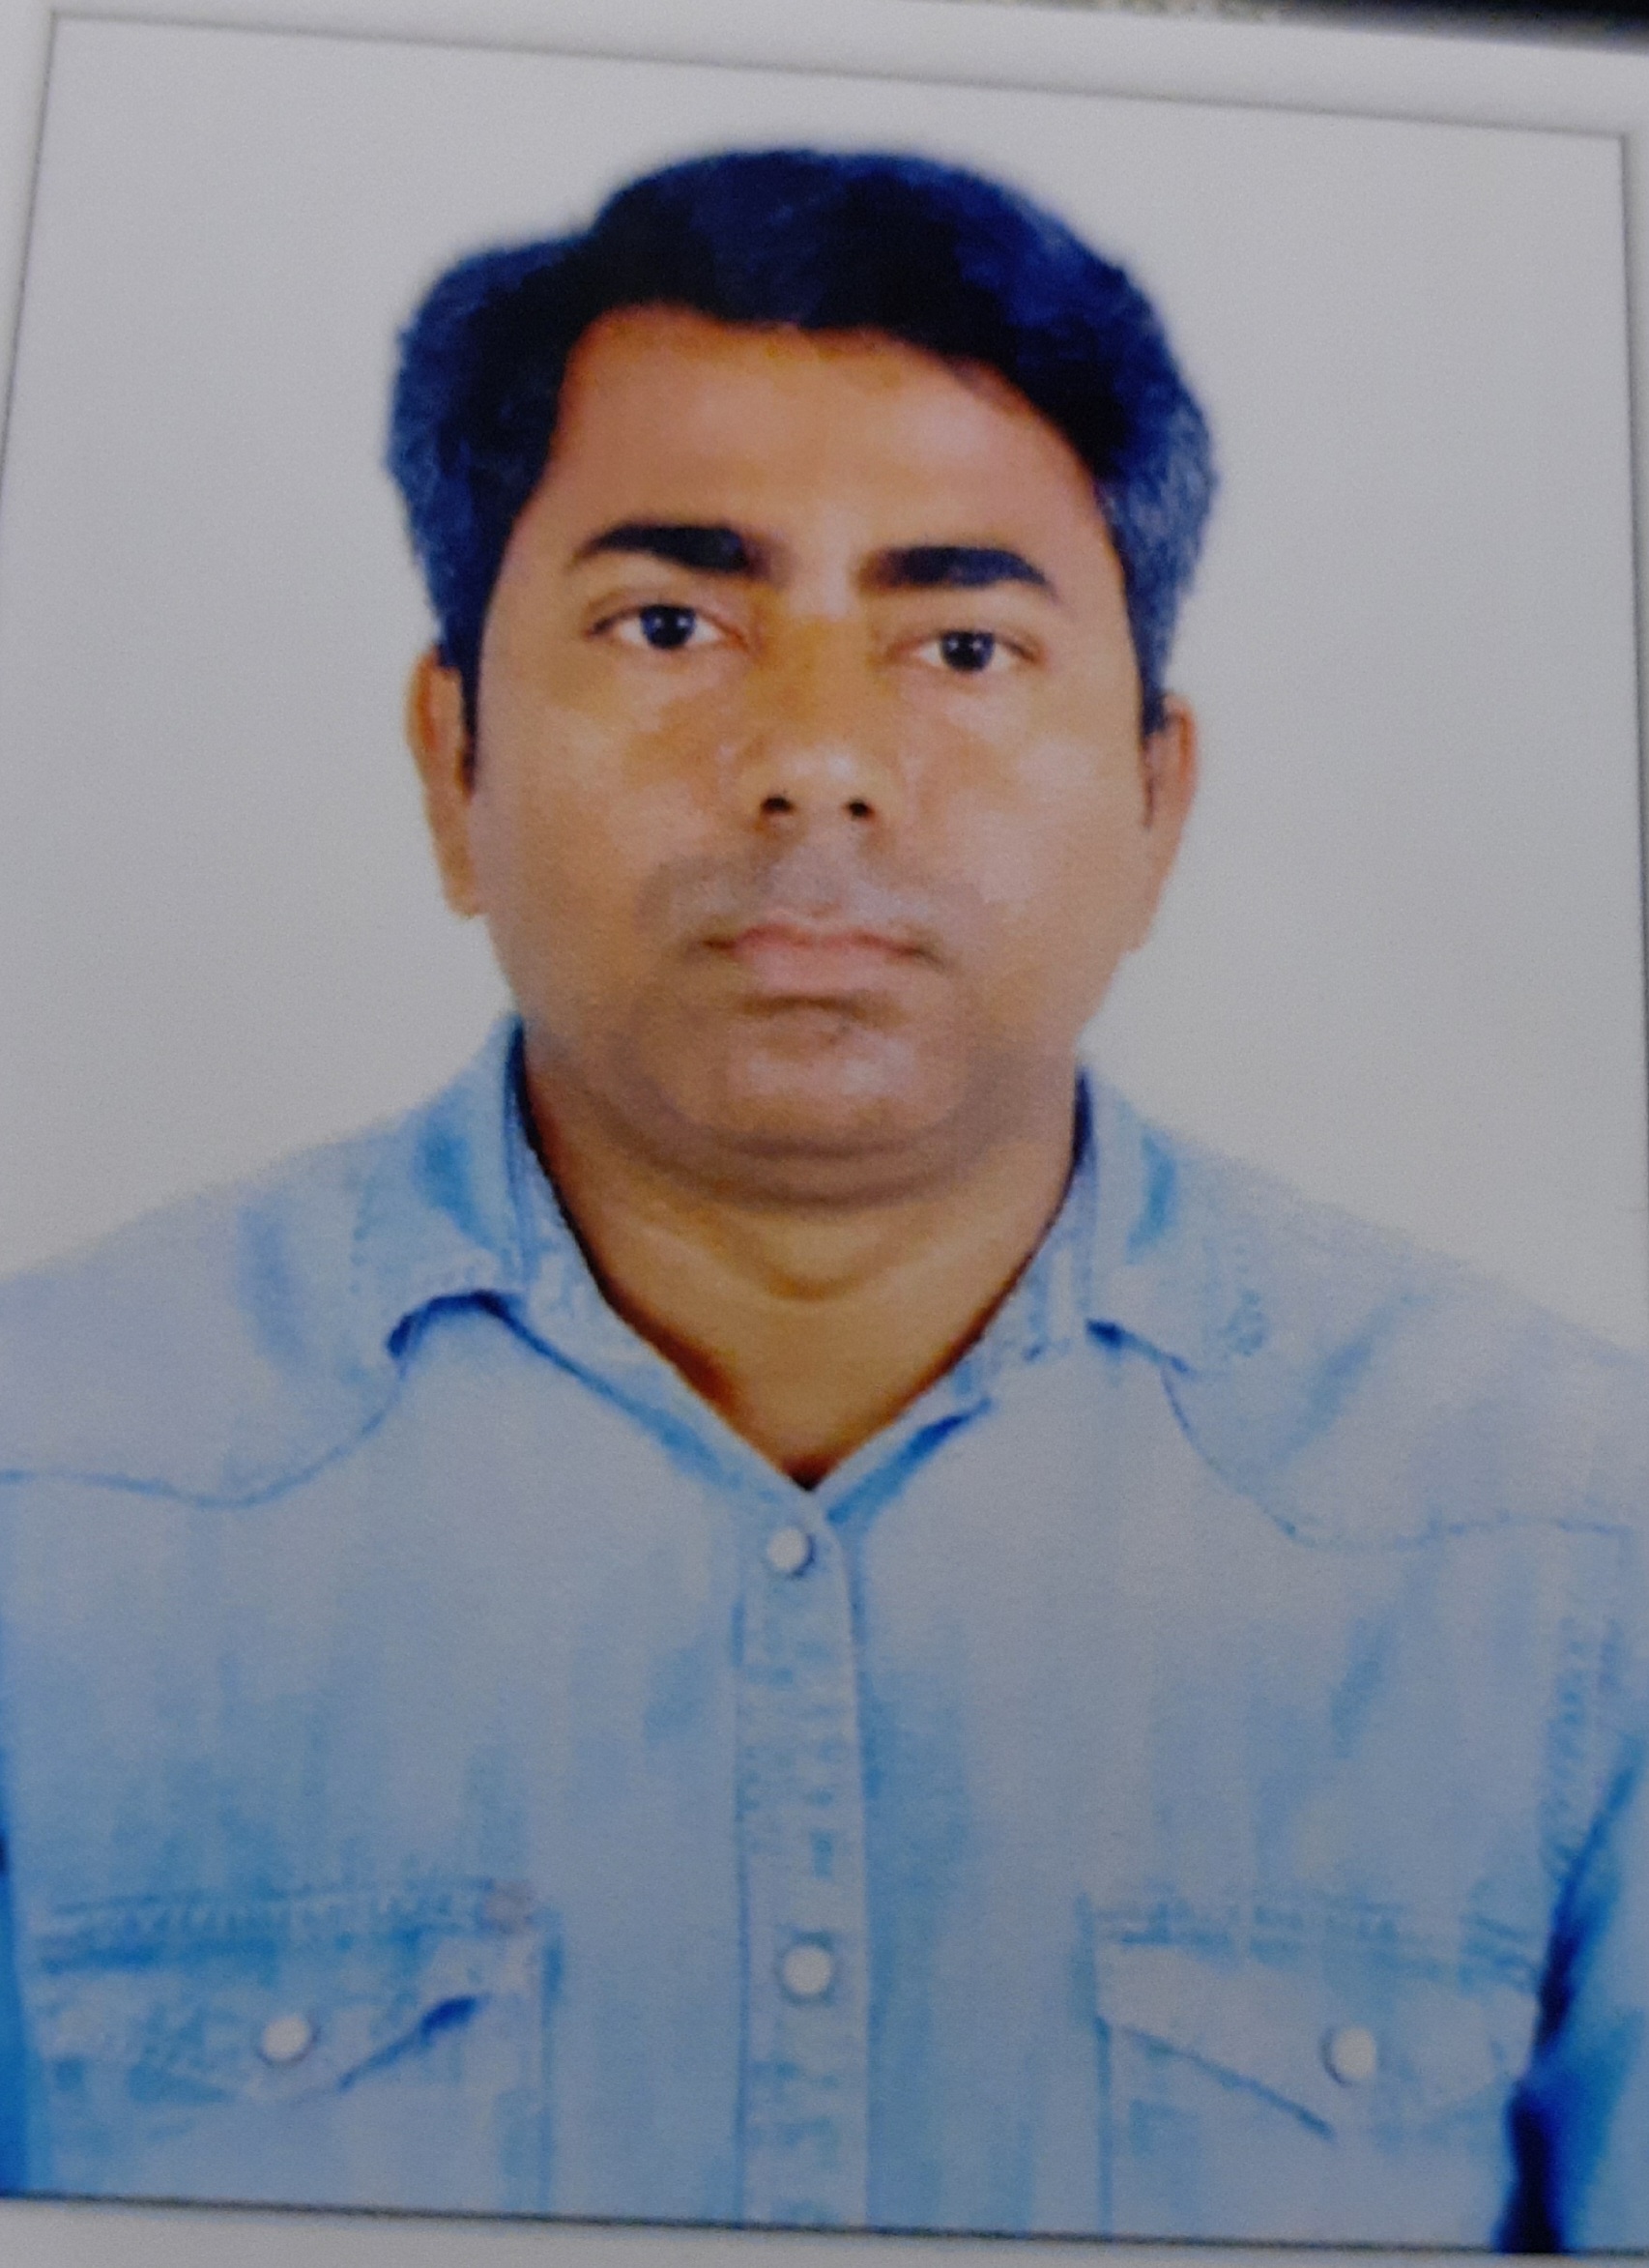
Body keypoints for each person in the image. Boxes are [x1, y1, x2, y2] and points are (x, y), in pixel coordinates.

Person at [0, 147, 1643, 2248]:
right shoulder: (51, 1485)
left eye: (959, 643)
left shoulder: (1562, 1537)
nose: (818, 760)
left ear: (1155, 802)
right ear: (453, 761)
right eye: (671, 622)